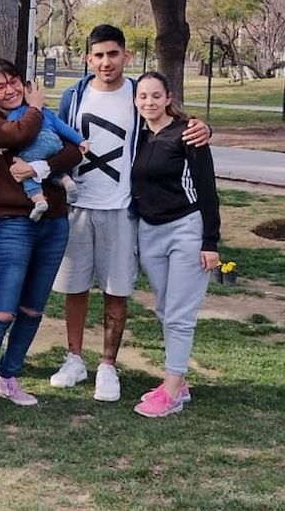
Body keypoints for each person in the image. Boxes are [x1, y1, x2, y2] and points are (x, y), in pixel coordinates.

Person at [49, 25, 210, 402]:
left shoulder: (138, 94)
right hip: (78, 206)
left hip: (122, 208)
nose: (106, 62)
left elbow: (171, 123)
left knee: (116, 288)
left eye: (113, 54)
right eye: (99, 55)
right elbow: (54, 137)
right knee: (74, 287)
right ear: (89, 59)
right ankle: (74, 358)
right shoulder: (75, 96)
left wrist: (204, 127)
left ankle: (108, 364)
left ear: (125, 56)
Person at [0, 59, 83, 430]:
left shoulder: (35, 115)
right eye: (0, 86)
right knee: (3, 311)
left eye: (13, 82)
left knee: (32, 309)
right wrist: (39, 107)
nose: (9, 89)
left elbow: (74, 151)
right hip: (12, 223)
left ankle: (7, 377)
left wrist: (39, 169)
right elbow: (19, 137)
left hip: (54, 221)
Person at [131, 72, 220, 417]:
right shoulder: (136, 138)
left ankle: (171, 391)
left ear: (168, 97)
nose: (149, 102)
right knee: (166, 308)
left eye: (156, 96)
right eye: (143, 97)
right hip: (149, 231)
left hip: (186, 229)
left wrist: (209, 241)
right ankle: (177, 381)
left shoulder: (188, 135)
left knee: (180, 314)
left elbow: (207, 189)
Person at [5, 102, 87, 221]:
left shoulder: (17, 112)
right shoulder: (48, 112)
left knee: (25, 170)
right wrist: (80, 141)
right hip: (54, 141)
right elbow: (63, 127)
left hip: (36, 142)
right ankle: (67, 182)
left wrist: (4, 144)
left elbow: (13, 132)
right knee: (49, 168)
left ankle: (39, 201)